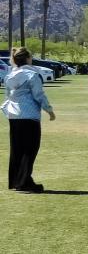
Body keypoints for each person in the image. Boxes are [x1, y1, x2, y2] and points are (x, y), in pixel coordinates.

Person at [2, 47, 55, 192]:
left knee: (17, 149)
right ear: (27, 58)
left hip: (14, 116)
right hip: (29, 115)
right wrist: (49, 110)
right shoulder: (32, 75)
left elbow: (8, 96)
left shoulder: (10, 75)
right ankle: (25, 181)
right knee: (30, 149)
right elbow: (39, 95)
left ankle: (15, 180)